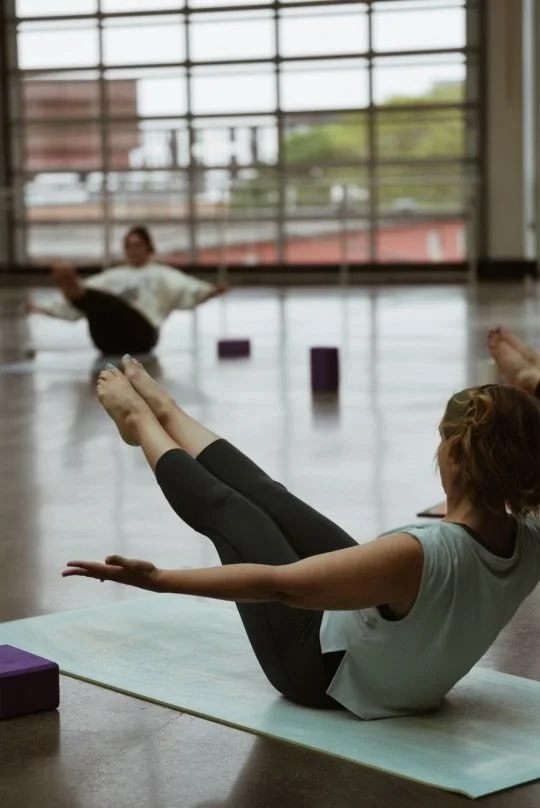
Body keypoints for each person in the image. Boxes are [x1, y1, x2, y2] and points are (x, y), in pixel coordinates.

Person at [62, 356, 540, 719]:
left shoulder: (419, 553)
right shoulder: (529, 541)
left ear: (455, 456)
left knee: (233, 514)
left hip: (320, 671)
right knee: (274, 499)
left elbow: (280, 584)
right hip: (386, 659)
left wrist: (162, 578)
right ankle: (167, 412)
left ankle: (140, 421)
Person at [26, 225, 229, 359]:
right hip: (107, 340)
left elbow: (187, 288)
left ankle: (73, 286)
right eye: (129, 246)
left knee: (97, 298)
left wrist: (209, 291)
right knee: (93, 300)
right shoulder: (112, 276)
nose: (133, 251)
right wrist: (40, 307)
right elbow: (78, 302)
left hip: (141, 333)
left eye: (138, 245)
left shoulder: (161, 274)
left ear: (148, 247)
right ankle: (73, 286)